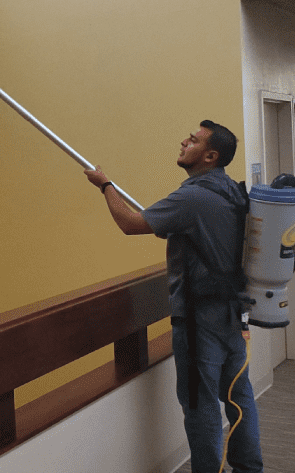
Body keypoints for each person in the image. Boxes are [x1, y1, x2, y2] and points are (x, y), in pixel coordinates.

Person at [85, 120, 264, 473]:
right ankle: (249, 469)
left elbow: (129, 223)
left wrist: (105, 184)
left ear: (210, 156)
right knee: (239, 397)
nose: (184, 142)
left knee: (201, 407)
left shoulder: (192, 197)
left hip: (199, 323)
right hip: (231, 314)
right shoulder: (231, 190)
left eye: (194, 140)